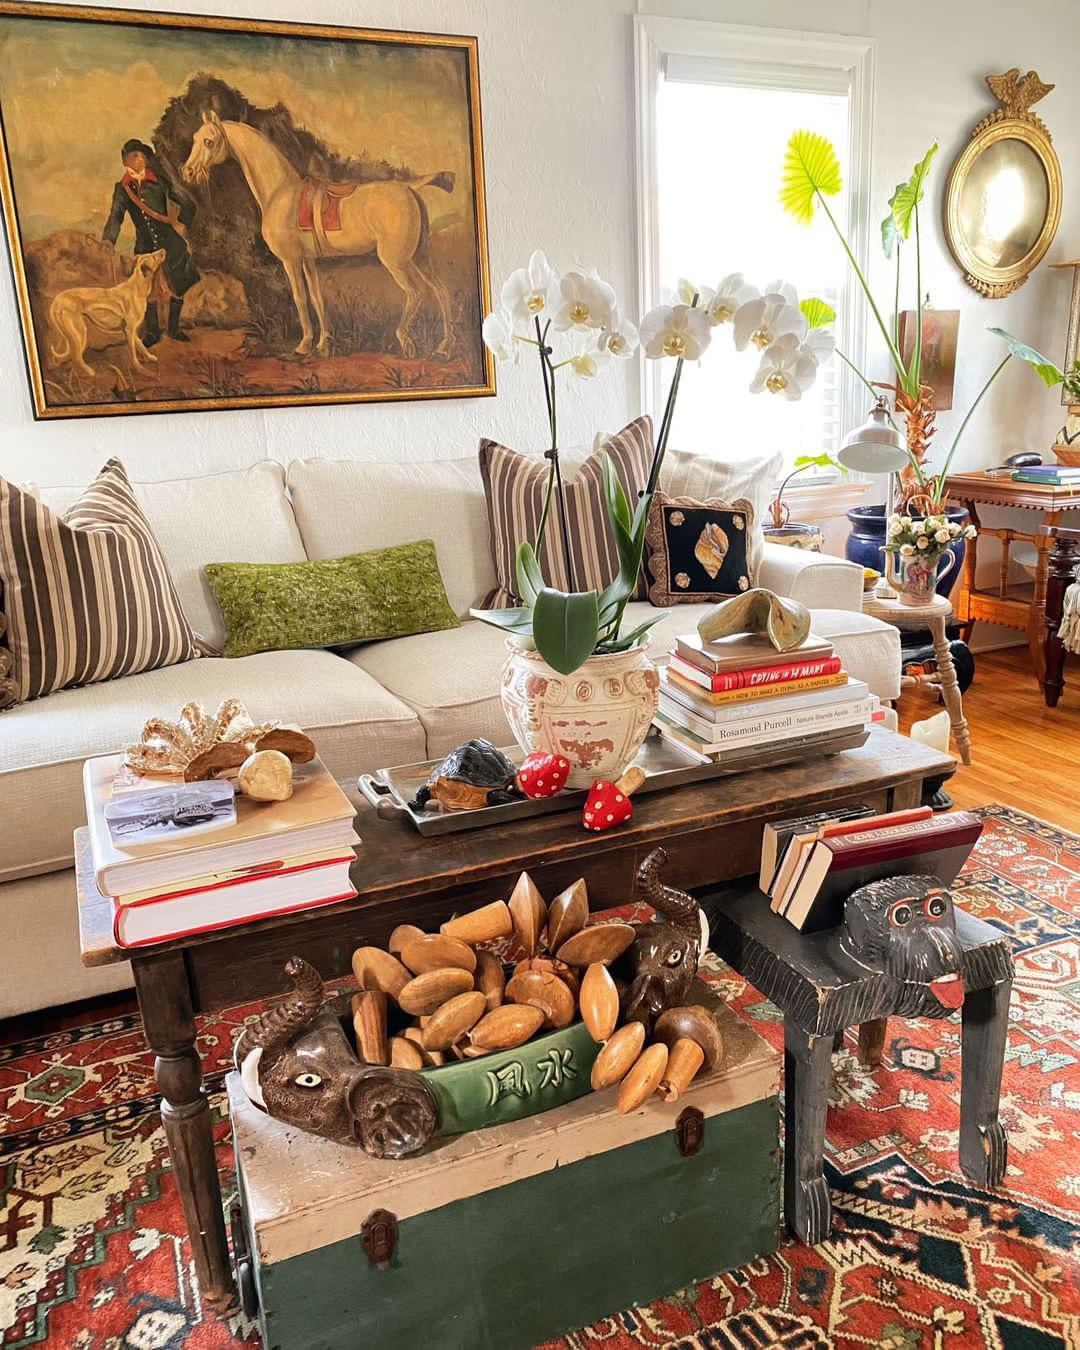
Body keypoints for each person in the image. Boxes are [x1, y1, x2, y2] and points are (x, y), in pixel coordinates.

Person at [102, 138, 200, 346]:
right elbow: (115, 216)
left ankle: (173, 329)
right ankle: (152, 332)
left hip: (169, 242)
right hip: (145, 246)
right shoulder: (122, 189)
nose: (137, 159)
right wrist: (109, 240)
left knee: (178, 284)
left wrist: (183, 223)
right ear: (125, 161)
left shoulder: (160, 181)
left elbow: (188, 203)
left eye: (140, 155)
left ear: (146, 159)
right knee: (148, 289)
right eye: (132, 156)